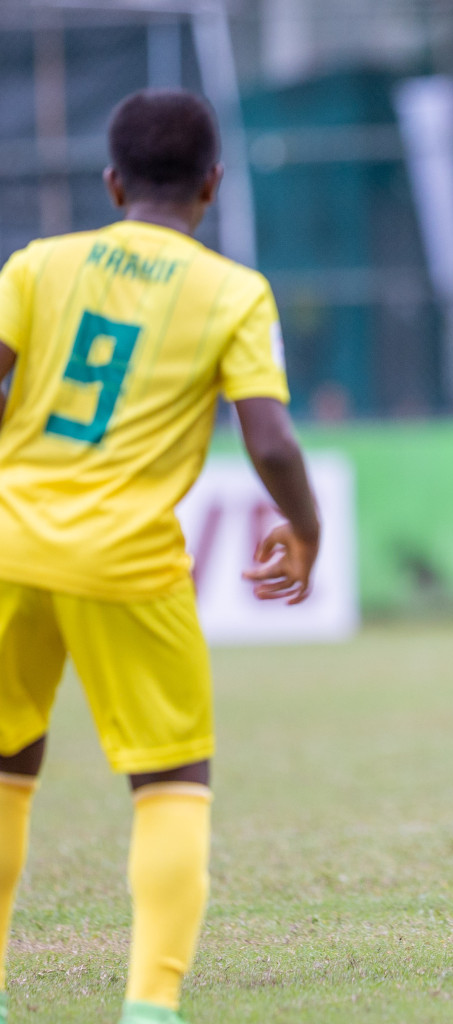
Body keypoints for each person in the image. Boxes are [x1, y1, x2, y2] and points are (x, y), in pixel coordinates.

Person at [0, 89, 321, 1024]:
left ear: (111, 181)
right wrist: (307, 530)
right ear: (213, 185)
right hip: (126, 560)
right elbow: (269, 442)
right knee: (171, 781)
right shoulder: (231, 291)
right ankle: (149, 1005)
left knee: (9, 766)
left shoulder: (36, 266)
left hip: (11, 541)